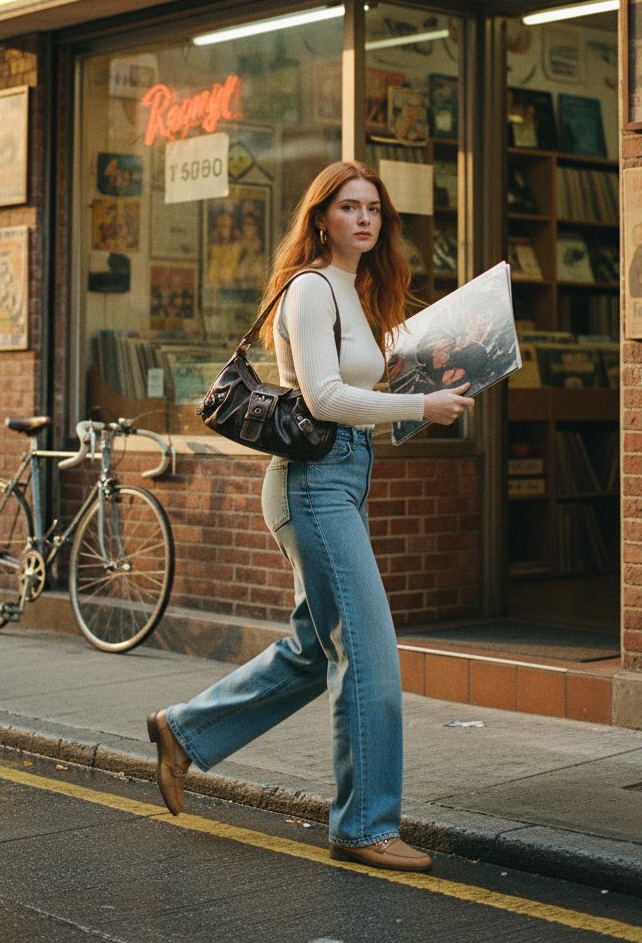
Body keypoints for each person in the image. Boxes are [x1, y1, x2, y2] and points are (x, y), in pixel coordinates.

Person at [147, 160, 474, 872]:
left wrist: (433, 374)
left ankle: (184, 731)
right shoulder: (310, 289)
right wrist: (421, 406)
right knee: (371, 658)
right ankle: (364, 827)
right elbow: (324, 399)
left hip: (345, 478)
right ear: (320, 218)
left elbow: (357, 395)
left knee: (310, 651)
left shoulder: (357, 293)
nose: (364, 219)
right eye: (349, 207)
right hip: (313, 484)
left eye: (374, 210)